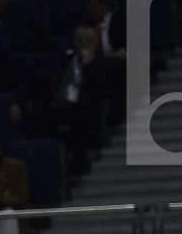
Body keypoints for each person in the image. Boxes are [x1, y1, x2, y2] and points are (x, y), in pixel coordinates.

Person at [12, 25, 117, 176]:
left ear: (96, 43)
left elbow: (102, 90)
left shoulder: (102, 64)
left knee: (81, 122)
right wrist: (16, 101)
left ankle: (77, 168)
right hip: (56, 107)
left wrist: (88, 67)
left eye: (88, 41)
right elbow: (35, 82)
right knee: (31, 119)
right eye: (80, 41)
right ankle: (35, 166)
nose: (84, 45)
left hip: (83, 110)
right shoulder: (63, 60)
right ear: (74, 43)